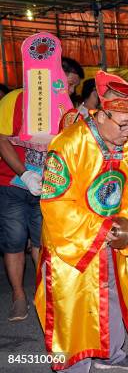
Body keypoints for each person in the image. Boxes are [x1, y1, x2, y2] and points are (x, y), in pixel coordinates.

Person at [35, 71, 128, 372]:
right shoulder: (68, 144)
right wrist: (99, 229)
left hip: (113, 233)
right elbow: (55, 201)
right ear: (100, 115)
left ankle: (110, 353)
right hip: (72, 240)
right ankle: (76, 364)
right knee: (73, 303)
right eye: (124, 124)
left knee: (110, 292)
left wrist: (125, 222)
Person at [0, 56, 83, 322]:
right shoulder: (14, 99)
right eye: (69, 84)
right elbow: (2, 141)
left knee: (42, 241)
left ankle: (44, 293)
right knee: (14, 240)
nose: (70, 91)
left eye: (74, 87)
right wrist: (25, 174)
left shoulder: (65, 109)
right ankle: (18, 296)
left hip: (49, 187)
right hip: (11, 184)